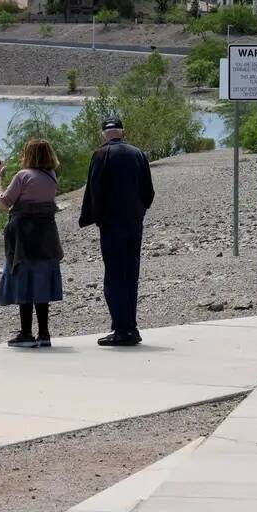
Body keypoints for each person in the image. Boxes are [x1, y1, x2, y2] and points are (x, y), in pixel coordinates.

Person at [79, 118, 155, 347]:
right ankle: (130, 326)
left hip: (112, 225)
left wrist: (95, 218)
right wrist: (138, 212)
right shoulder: (138, 154)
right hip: (133, 223)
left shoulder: (101, 156)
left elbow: (95, 190)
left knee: (114, 275)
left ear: (103, 134)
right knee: (131, 274)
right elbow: (148, 192)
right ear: (123, 132)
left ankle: (122, 329)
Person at [0, 139, 64, 348]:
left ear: (29, 155)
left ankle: (26, 333)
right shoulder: (51, 176)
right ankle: (44, 333)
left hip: (23, 236)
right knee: (41, 279)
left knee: (23, 279)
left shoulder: (23, 176)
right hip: (46, 236)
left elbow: (4, 203)